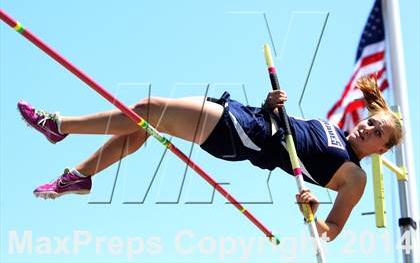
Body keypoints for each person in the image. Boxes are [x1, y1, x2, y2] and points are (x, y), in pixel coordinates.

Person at [18, 76, 402, 241]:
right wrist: (270, 104)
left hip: (246, 138)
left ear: (381, 150)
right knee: (141, 126)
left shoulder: (355, 177)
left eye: (377, 134)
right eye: (371, 123)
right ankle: (80, 176)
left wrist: (313, 213)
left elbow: (331, 230)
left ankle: (59, 125)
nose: (368, 130)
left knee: (147, 109)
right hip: (250, 117)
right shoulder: (330, 124)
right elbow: (290, 129)